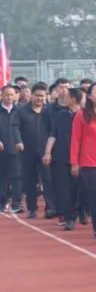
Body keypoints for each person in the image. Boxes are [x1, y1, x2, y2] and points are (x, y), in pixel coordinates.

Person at [71, 82, 96, 238]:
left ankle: (89, 210)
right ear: (89, 96)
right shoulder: (81, 115)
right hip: (89, 161)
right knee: (95, 194)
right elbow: (75, 140)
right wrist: (74, 162)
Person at [43, 88, 82, 230]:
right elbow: (53, 133)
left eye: (67, 97)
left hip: (81, 157)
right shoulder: (61, 115)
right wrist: (48, 152)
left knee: (80, 188)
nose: (63, 99)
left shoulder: (84, 115)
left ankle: (81, 210)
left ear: (74, 99)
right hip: (61, 156)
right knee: (63, 189)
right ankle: (69, 217)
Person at [16, 83, 49, 217]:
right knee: (30, 180)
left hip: (46, 151)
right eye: (37, 95)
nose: (39, 98)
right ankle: (32, 208)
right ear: (31, 96)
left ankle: (50, 207)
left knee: (48, 179)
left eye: (42, 96)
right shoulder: (21, 111)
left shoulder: (48, 111)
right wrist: (18, 141)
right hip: (27, 150)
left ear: (46, 96)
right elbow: (15, 127)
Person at [0, 84, 25, 213]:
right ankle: (2, 202)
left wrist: (21, 142)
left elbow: (24, 129)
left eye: (12, 95)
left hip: (16, 150)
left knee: (17, 177)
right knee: (2, 177)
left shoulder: (20, 111)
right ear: (2, 96)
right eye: (7, 95)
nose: (9, 97)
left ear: (15, 96)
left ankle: (16, 203)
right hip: (1, 150)